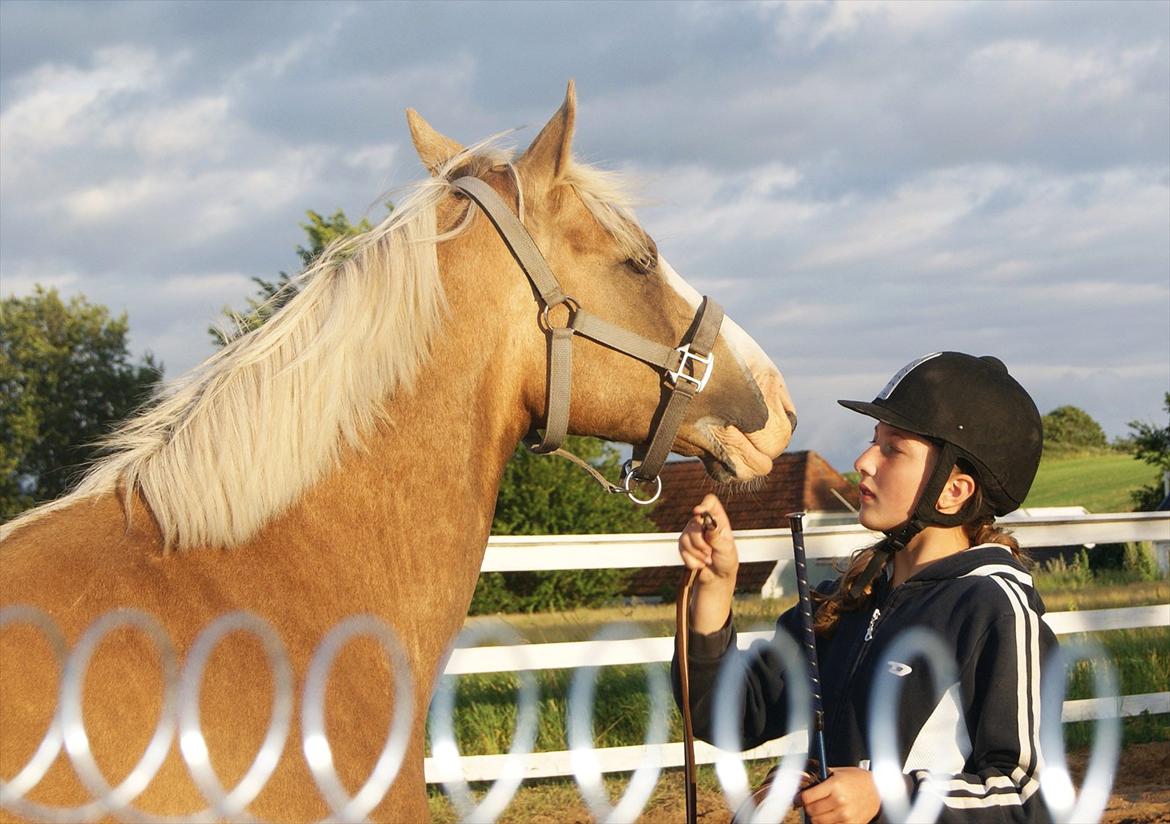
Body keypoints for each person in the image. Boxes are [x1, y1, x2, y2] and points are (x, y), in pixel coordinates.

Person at [673, 352, 1057, 823]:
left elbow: (1029, 800)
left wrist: (887, 796)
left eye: (893, 449)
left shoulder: (994, 609)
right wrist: (715, 590)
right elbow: (727, 715)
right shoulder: (851, 598)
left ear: (953, 490)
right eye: (873, 441)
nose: (863, 461)